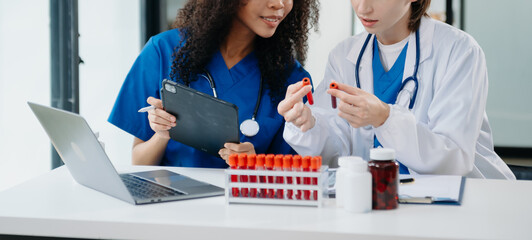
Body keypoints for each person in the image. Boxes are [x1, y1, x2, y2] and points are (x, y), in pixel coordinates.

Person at [278, 0, 515, 179]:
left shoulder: (459, 51)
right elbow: (337, 150)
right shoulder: (344, 56)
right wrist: (308, 125)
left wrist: (385, 118)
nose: (363, 8)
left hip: (467, 202)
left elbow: (453, 158)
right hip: (381, 200)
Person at [109, 0, 319, 168]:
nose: (279, 4)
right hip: (171, 209)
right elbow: (139, 163)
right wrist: (162, 135)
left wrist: (258, 165)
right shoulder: (163, 51)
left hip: (244, 213)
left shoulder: (293, 80)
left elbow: (293, 179)